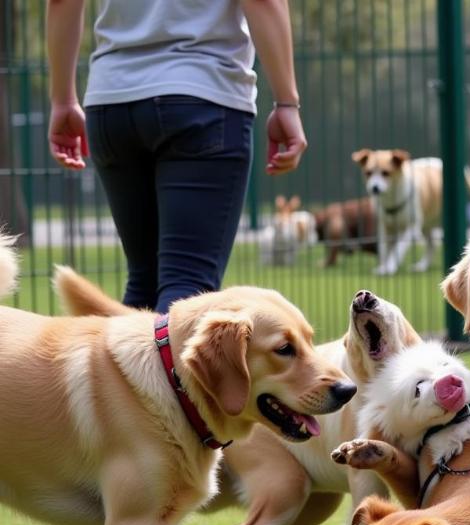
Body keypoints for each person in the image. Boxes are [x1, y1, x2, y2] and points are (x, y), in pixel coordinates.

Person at [46, 0, 307, 312]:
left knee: (143, 285)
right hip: (203, 97)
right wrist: (286, 103)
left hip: (111, 102)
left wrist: (62, 99)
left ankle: (119, 362)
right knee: (188, 290)